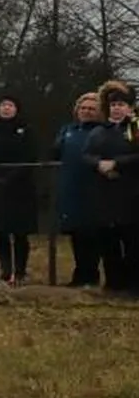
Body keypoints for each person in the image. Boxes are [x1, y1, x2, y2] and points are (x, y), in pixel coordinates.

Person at [83, 80, 139, 295]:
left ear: (129, 108)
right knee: (108, 242)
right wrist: (99, 164)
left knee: (133, 242)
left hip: (131, 193)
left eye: (121, 105)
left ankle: (133, 285)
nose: (117, 108)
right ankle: (114, 283)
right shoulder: (99, 131)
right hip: (105, 193)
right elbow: (86, 155)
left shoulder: (134, 128)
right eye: (114, 105)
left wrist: (117, 163)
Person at [0, 93, 39, 284]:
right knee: (1, 231)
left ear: (17, 109)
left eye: (10, 105)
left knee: (20, 232)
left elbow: (31, 156)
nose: (6, 108)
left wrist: (11, 176)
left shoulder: (27, 129)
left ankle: (20, 272)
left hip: (21, 186)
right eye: (3, 104)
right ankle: (5, 269)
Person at [53, 91, 103, 289]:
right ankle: (79, 275)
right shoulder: (67, 130)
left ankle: (92, 276)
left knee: (93, 234)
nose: (87, 111)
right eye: (83, 108)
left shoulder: (103, 130)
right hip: (70, 187)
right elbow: (56, 151)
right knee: (76, 234)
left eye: (91, 109)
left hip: (95, 188)